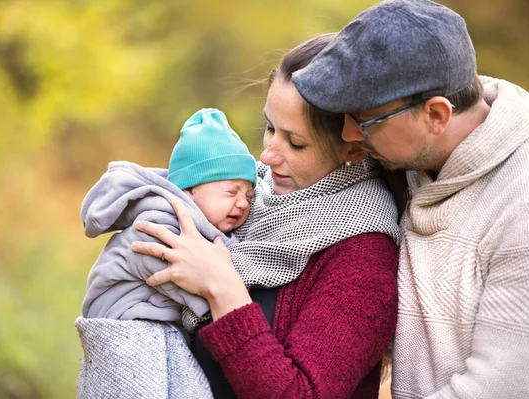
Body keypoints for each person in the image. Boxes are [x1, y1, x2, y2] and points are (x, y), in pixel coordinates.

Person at [131, 32, 403, 398]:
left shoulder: (364, 258)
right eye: (270, 128)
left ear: (354, 150)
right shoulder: (250, 195)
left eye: (295, 142)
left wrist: (223, 288)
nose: (269, 155)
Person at [292, 0, 529, 398]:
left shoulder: (521, 206)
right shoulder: (409, 151)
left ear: (436, 115)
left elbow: (498, 388)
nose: (349, 135)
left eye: (364, 120)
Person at [75, 107, 257, 399]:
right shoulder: (159, 222)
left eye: (249, 195)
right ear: (189, 191)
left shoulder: (199, 227)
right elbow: (190, 281)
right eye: (231, 192)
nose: (243, 203)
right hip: (125, 326)